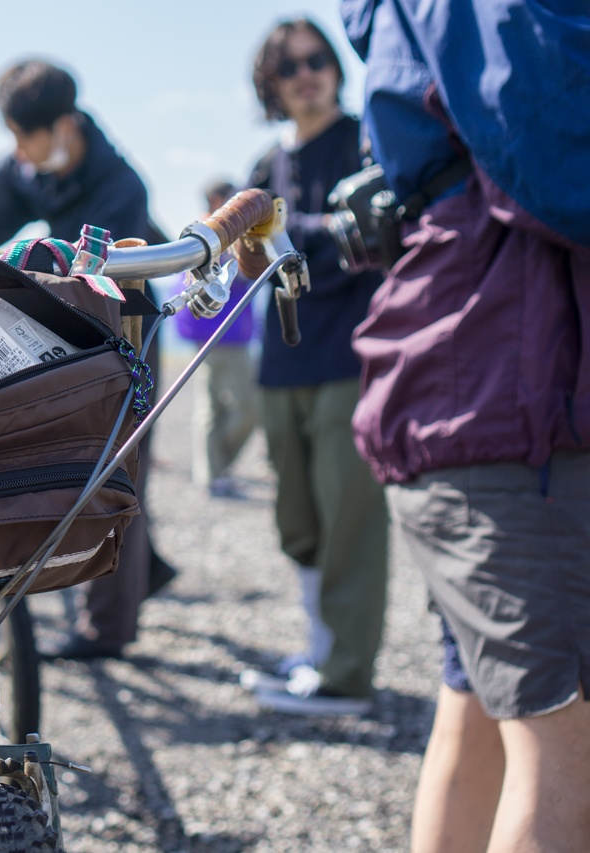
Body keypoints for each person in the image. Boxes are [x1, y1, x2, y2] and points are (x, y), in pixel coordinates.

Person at [340, 1, 590, 847]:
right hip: (511, 392)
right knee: (568, 748)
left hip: (477, 386)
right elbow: (554, 147)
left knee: (482, 703)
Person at [0, 58, 174, 660]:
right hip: (63, 312)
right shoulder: (25, 168)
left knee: (116, 460)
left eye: (26, 135)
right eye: (12, 135)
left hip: (129, 317)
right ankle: (146, 569)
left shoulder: (121, 183)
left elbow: (90, 271)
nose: (17, 148)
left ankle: (108, 629)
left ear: (64, 124)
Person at [235, 18, 389, 715]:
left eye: (317, 59)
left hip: (353, 359)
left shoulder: (368, 138)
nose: (306, 74)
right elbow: (243, 248)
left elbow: (379, 231)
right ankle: (321, 650)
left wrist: (291, 231)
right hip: (282, 363)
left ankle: (347, 675)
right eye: (290, 66)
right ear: (271, 84)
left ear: (336, 66)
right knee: (297, 519)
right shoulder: (267, 166)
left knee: (350, 519)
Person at [170, 179, 258, 498]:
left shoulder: (211, 233)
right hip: (214, 331)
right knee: (220, 407)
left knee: (231, 408)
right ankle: (213, 472)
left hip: (230, 331)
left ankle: (215, 467)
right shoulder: (207, 233)